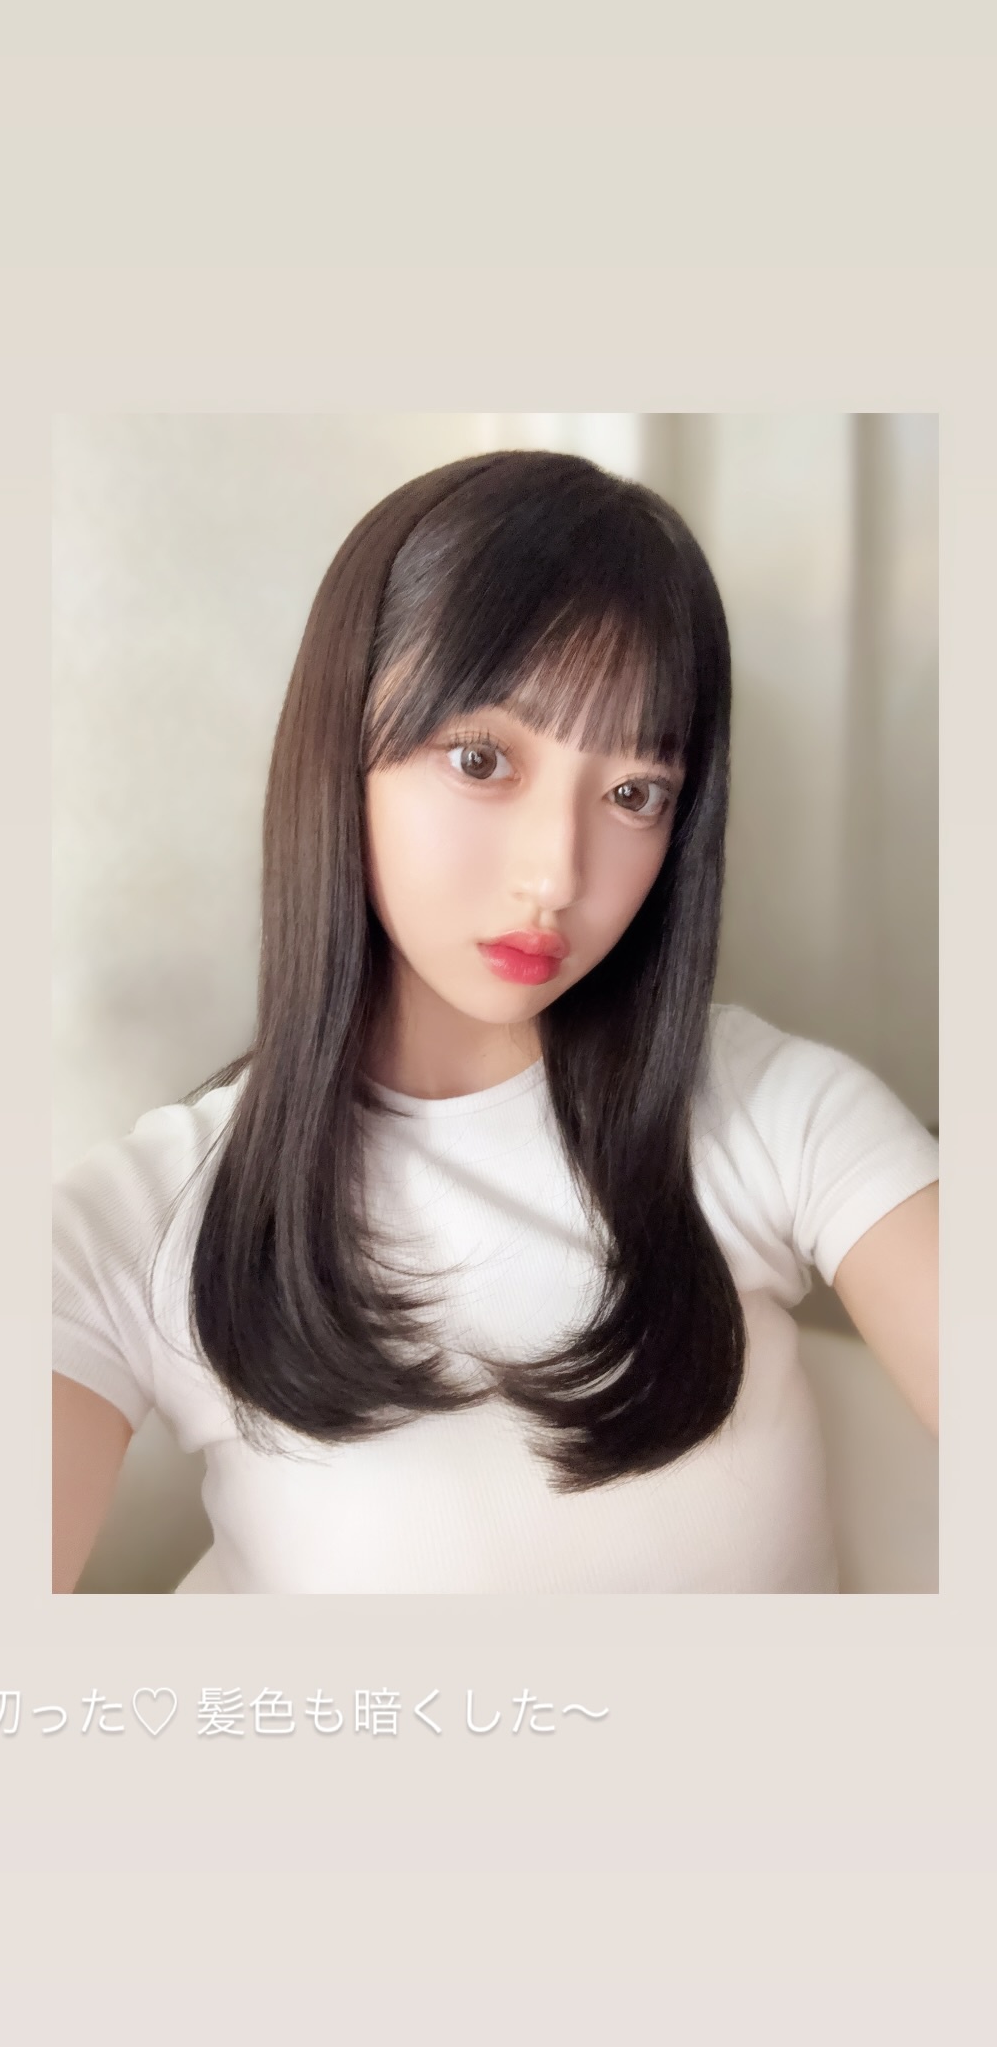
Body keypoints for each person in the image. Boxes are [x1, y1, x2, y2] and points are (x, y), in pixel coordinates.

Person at [52, 450, 938, 1594]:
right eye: (482, 760)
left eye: (633, 793)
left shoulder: (773, 1111)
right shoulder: (148, 1222)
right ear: (340, 752)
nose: (556, 874)